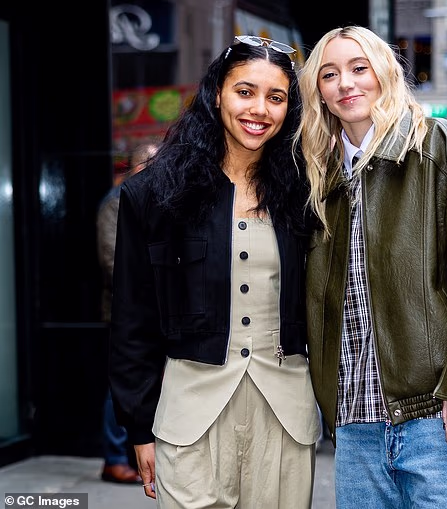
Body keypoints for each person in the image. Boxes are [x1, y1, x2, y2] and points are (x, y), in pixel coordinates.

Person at [292, 25, 447, 508]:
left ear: (384, 73)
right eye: (329, 74)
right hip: (354, 423)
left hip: (436, 418)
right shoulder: (320, 174)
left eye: (358, 68)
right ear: (317, 90)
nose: (345, 83)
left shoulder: (439, 147)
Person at [108, 36, 320, 508]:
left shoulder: (307, 192)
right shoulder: (155, 194)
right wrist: (139, 427)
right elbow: (132, 319)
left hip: (284, 415)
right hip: (189, 415)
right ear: (217, 93)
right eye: (245, 91)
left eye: (276, 97)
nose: (259, 109)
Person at [96, 140, 158, 484]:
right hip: (124, 312)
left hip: (155, 312)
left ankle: (138, 456)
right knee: (120, 385)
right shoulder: (115, 202)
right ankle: (114, 458)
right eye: (148, 164)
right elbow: (111, 260)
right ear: (134, 167)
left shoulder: (158, 200)